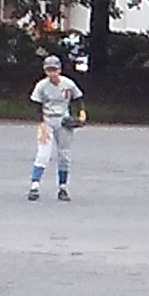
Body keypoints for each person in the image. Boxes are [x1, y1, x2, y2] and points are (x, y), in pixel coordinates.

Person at [29, 55, 86, 202]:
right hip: (47, 120)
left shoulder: (68, 83)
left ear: (59, 70)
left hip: (63, 120)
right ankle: (34, 186)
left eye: (54, 69)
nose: (52, 73)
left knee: (64, 155)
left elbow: (78, 98)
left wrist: (81, 113)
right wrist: (41, 125)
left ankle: (62, 187)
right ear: (45, 71)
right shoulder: (42, 85)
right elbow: (37, 106)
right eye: (49, 70)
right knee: (43, 153)